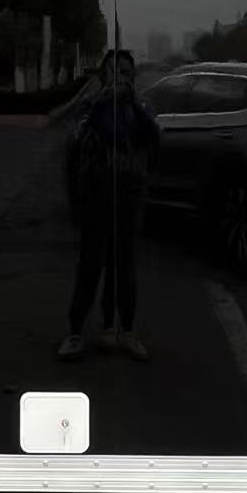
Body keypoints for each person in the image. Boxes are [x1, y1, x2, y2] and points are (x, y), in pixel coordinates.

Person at [58, 49, 159, 361]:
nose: (120, 77)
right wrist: (103, 103)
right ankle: (75, 332)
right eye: (114, 71)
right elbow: (75, 141)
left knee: (124, 266)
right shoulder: (90, 106)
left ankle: (123, 329)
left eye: (126, 72)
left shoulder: (139, 107)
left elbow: (153, 137)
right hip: (95, 197)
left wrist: (132, 107)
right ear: (103, 75)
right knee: (90, 265)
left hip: (128, 197)